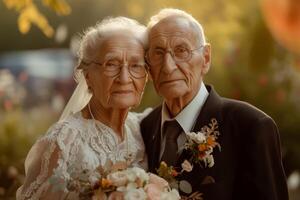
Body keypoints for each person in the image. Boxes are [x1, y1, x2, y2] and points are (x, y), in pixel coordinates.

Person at [141, 8, 289, 200]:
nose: (168, 66)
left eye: (181, 51)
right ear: (148, 67)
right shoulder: (145, 127)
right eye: (158, 53)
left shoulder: (251, 126)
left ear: (206, 58)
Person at [17, 17, 150, 200]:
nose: (125, 77)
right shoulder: (63, 142)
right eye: (111, 64)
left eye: (135, 65)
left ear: (146, 75)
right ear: (87, 76)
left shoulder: (144, 127)